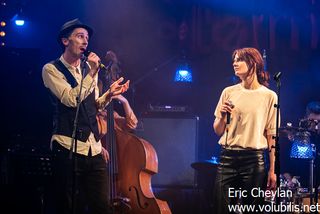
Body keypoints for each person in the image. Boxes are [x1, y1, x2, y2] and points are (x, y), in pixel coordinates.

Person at [42, 18, 130, 214]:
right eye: (80, 37)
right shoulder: (51, 69)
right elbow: (70, 99)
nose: (85, 42)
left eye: (87, 38)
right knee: (69, 206)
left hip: (93, 148)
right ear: (66, 41)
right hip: (67, 146)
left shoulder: (89, 70)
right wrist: (91, 73)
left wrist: (110, 94)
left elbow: (94, 105)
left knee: (102, 207)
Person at [213, 47, 277, 213]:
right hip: (227, 157)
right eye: (234, 60)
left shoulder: (269, 96)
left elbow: (271, 136)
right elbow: (218, 130)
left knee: (251, 209)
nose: (234, 63)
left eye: (239, 59)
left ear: (253, 64)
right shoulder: (228, 92)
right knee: (222, 208)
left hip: (253, 160)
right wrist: (221, 116)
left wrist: (272, 171)